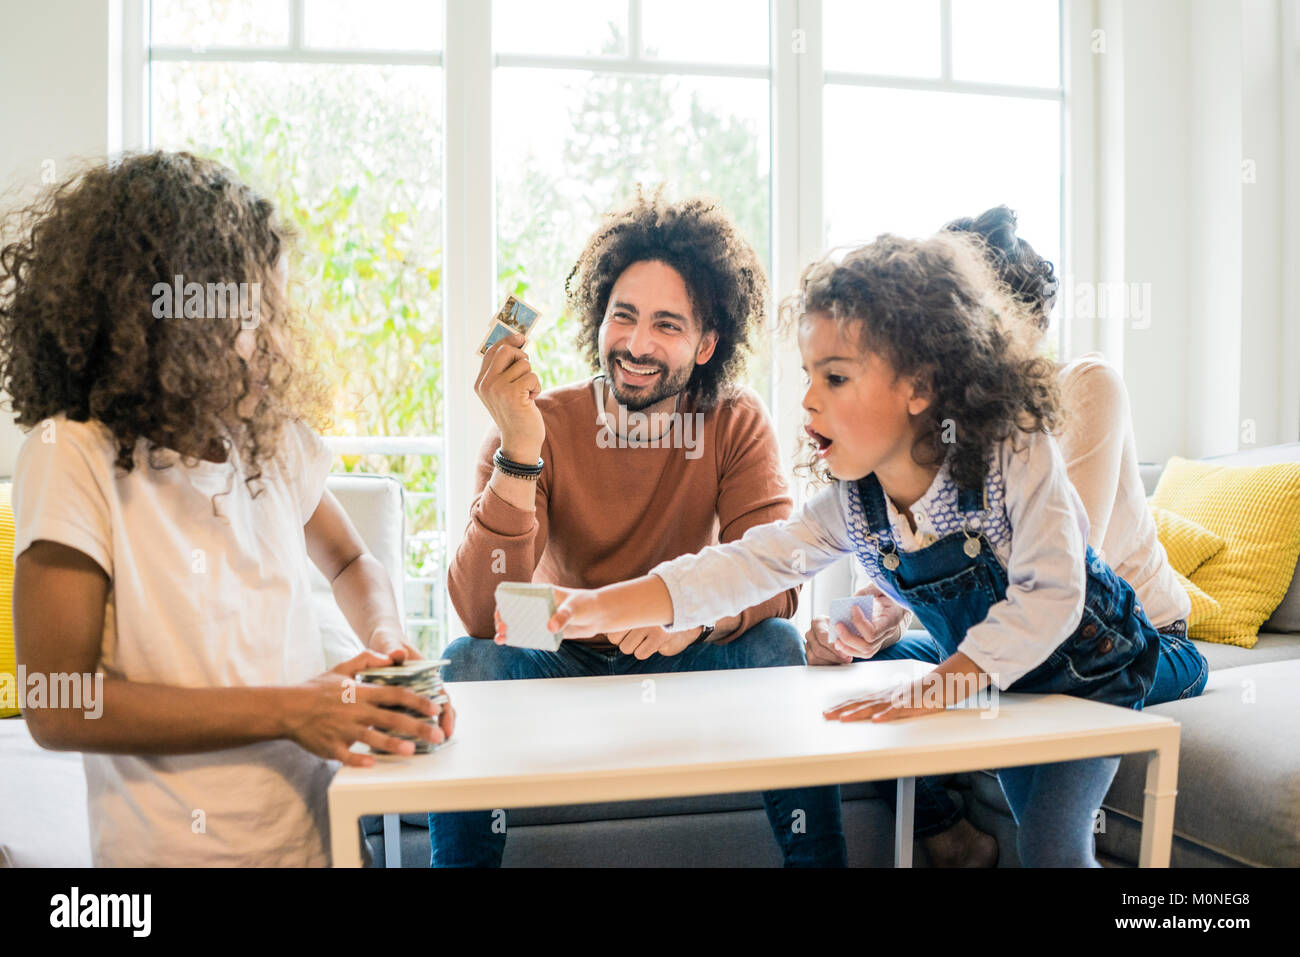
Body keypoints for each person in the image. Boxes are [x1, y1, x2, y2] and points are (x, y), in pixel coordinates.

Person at [529, 231, 1164, 868]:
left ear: (919, 386)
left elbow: (1051, 598)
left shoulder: (1015, 451)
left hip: (1087, 675)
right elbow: (748, 563)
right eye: (809, 375)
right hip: (997, 680)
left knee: (1055, 853)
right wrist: (592, 608)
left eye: (835, 377)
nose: (808, 399)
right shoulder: (854, 502)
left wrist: (932, 692)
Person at [1, 151, 454, 867]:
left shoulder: (269, 442)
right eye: (255, 316)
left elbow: (351, 558)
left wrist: (388, 646)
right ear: (170, 322)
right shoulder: (73, 455)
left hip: (316, 841)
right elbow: (57, 703)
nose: (277, 340)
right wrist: (291, 707)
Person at [435, 190, 847, 868]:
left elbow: (777, 578)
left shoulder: (735, 421)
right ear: (599, 322)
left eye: (667, 324)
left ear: (707, 343)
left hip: (685, 650)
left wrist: (696, 617)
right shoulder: (537, 422)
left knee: (775, 644)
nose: (636, 343)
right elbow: (483, 613)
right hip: (567, 643)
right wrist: (518, 448)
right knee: (464, 660)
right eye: (622, 317)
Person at [806, 207, 1210, 865]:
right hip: (1000, 635)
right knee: (850, 683)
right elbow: (900, 578)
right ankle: (950, 835)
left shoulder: (1083, 388)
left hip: (1125, 641)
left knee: (1049, 830)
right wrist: (862, 626)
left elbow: (1064, 580)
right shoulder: (928, 427)